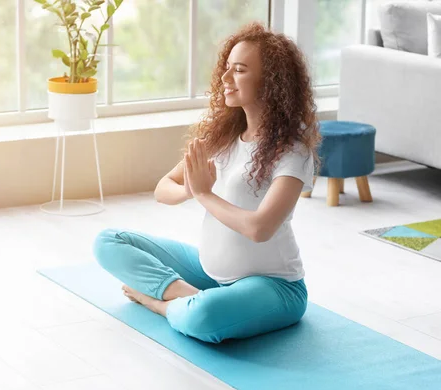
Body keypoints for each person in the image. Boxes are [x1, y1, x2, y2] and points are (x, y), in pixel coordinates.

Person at [93, 22, 321, 344]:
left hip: (273, 286)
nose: (226, 79)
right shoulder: (223, 138)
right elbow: (163, 188)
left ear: (271, 82)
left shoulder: (293, 152)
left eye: (239, 70)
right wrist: (188, 188)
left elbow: (260, 229)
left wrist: (202, 193)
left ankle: (161, 304)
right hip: (209, 274)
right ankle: (188, 296)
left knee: (204, 318)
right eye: (226, 69)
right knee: (108, 241)